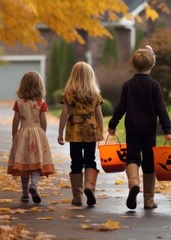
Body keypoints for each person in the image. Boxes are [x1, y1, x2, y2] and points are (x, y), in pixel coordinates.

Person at [108, 45, 171, 210]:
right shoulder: (154, 85)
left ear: (133, 65)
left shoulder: (128, 85)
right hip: (149, 130)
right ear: (152, 66)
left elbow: (120, 107)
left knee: (133, 158)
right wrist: (167, 130)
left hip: (133, 129)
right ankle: (149, 200)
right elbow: (161, 109)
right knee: (149, 163)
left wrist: (113, 124)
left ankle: (134, 183)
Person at [58, 61, 104, 206]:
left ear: (73, 76)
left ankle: (77, 196)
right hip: (90, 131)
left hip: (75, 132)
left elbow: (64, 113)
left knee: (76, 161)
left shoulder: (68, 93)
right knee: (90, 160)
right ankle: (89, 187)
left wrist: (60, 132)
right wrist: (101, 132)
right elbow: (99, 114)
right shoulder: (94, 93)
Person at [7, 71, 55, 204]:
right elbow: (43, 120)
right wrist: (42, 133)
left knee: (24, 164)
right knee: (35, 163)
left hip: (23, 134)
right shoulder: (41, 103)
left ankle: (24, 194)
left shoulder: (19, 102)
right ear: (39, 86)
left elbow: (15, 120)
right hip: (37, 134)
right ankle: (34, 185)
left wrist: (14, 134)